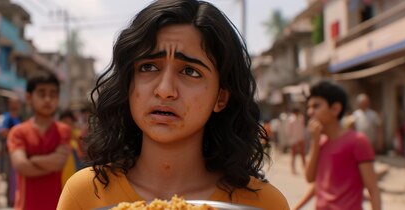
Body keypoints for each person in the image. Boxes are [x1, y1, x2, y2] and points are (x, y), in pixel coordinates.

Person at [57, 0, 289, 209]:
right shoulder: (87, 193)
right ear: (129, 84)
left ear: (221, 98)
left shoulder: (263, 204)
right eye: (148, 67)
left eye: (190, 71)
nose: (165, 90)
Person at [304, 81, 381, 210]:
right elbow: (310, 178)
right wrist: (314, 142)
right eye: (309, 107)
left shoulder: (357, 141)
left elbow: (373, 189)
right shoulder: (321, 142)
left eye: (316, 106)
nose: (310, 112)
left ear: (335, 109)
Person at [7, 72, 71, 210]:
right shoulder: (18, 132)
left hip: (56, 206)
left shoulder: (63, 130)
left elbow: (59, 163)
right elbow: (22, 166)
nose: (48, 99)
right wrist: (49, 162)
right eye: (42, 93)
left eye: (53, 94)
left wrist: (33, 159)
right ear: (29, 97)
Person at [287, 108, 306, 175]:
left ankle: (305, 168)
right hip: (294, 139)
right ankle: (293, 169)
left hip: (300, 138)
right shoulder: (291, 119)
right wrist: (291, 139)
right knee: (293, 154)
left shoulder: (301, 118)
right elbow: (289, 131)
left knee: (303, 154)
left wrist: (302, 137)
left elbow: (302, 128)